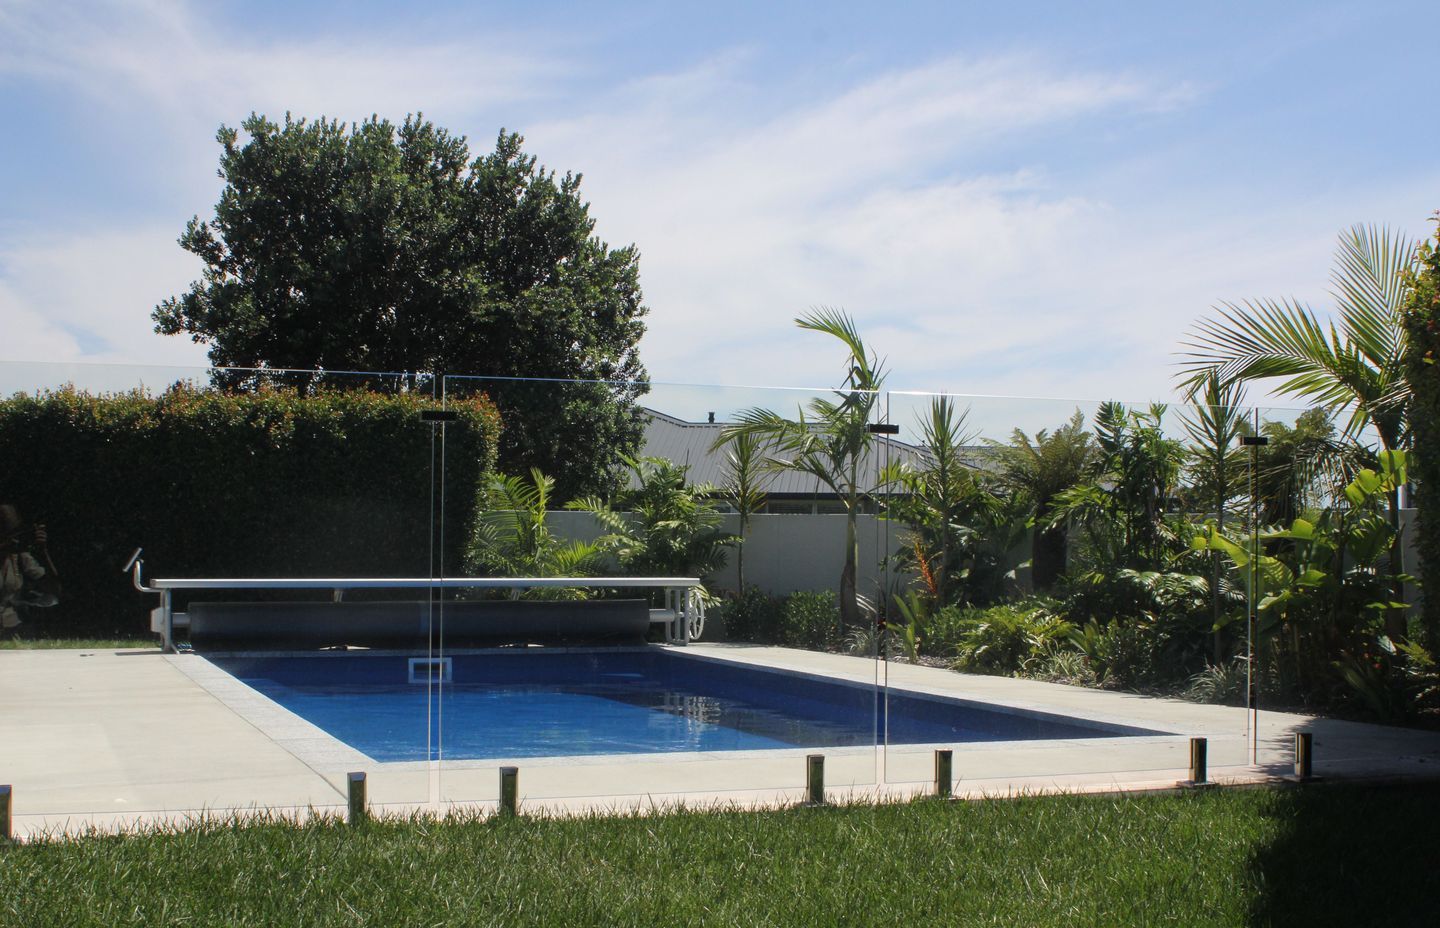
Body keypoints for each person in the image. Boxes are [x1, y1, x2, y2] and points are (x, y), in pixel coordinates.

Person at [1, 504, 59, 635]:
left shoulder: (19, 557)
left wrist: (42, 551)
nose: (14, 539)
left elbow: (54, 590)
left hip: (14, 629)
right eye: (7, 533)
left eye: (16, 533)